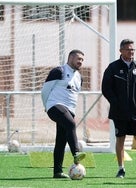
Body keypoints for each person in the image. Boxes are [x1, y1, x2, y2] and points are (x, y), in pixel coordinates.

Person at [101, 39, 136, 178]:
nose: (131, 52)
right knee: (120, 139)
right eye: (128, 49)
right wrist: (115, 102)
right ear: (121, 51)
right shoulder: (113, 67)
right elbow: (106, 88)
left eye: (132, 50)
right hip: (119, 112)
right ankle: (121, 169)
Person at [41, 49, 86, 178]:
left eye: (82, 60)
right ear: (70, 58)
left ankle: (57, 172)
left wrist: (72, 112)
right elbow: (45, 91)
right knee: (71, 125)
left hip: (69, 110)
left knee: (61, 141)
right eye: (78, 59)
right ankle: (76, 153)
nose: (80, 62)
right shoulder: (59, 71)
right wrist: (47, 106)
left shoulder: (79, 77)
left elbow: (73, 96)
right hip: (54, 105)